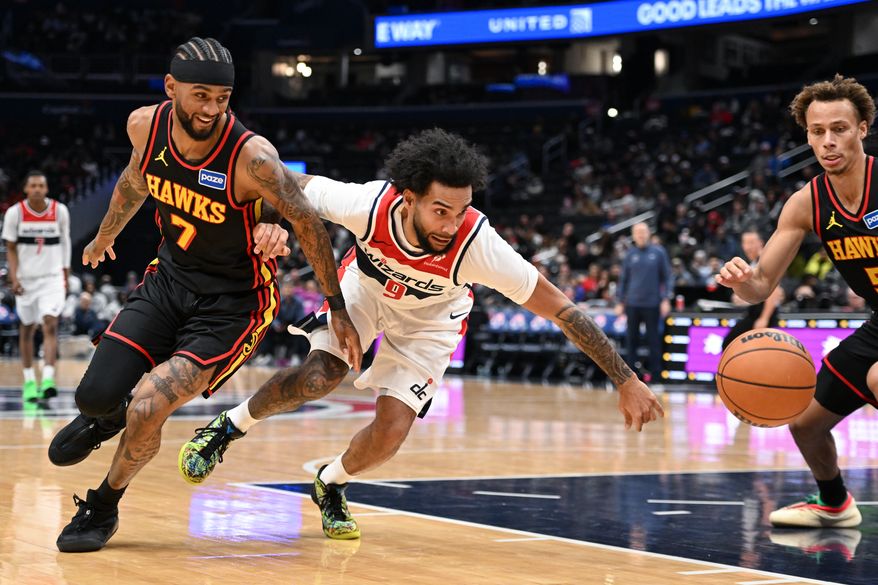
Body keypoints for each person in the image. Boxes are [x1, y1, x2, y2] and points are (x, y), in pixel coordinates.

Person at [178, 128, 665, 540]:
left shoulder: (479, 246)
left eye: (461, 211)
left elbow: (562, 309)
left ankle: (331, 482)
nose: (452, 224)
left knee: (391, 433)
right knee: (319, 376)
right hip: (366, 288)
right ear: (408, 197)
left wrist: (625, 379)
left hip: (433, 320)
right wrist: (269, 225)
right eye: (440, 211)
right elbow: (279, 180)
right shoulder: (368, 203)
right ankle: (229, 426)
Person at [49, 37, 362, 553]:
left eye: (222, 98)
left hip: (233, 305)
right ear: (171, 88)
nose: (212, 109)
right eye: (200, 96)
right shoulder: (144, 126)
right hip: (168, 280)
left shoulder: (252, 157)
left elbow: (305, 219)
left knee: (149, 407)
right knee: (94, 396)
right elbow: (134, 182)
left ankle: (103, 506)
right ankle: (105, 417)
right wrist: (105, 235)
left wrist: (335, 303)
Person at [716, 74, 876, 528]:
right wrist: (742, 281)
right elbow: (762, 285)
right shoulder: (805, 203)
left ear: (862, 128)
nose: (827, 141)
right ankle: (834, 503)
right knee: (804, 422)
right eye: (817, 131)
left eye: (839, 129)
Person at [2, 170, 70, 403]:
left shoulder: (59, 211)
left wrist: (66, 274)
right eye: (33, 185)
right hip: (26, 280)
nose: (38, 189)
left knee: (50, 323)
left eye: (42, 185)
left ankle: (48, 379)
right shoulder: (15, 213)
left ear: (47, 188)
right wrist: (14, 278)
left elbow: (66, 243)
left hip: (51, 278)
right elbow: (10, 248)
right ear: (26, 189)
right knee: (27, 329)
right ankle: (30, 380)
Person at [615, 222, 673, 382]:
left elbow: (667, 277)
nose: (640, 235)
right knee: (631, 341)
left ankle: (656, 377)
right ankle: (630, 378)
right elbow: (623, 280)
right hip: (632, 304)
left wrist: (666, 299)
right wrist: (620, 301)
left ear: (649, 233)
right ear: (633, 236)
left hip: (652, 304)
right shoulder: (629, 254)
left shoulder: (658, 252)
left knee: (653, 340)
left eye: (643, 232)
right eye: (637, 232)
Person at [721, 228, 784, 349]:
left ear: (760, 243)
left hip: (764, 313)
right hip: (755, 312)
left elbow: (775, 291)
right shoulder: (753, 262)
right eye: (745, 242)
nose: (748, 246)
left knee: (730, 343)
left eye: (751, 242)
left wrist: (764, 318)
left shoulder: (766, 260)